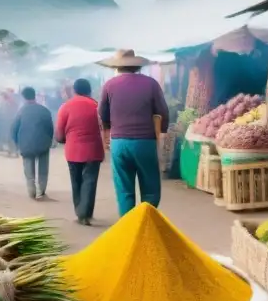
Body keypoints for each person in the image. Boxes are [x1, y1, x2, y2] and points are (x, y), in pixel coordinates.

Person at [98, 49, 169, 216]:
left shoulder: (109, 85)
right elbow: (163, 112)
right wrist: (163, 131)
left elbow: (102, 114)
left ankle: (128, 228)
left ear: (117, 67)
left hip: (119, 143)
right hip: (145, 142)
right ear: (137, 67)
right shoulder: (151, 84)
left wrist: (109, 131)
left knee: (124, 191)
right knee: (150, 190)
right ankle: (145, 223)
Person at [55, 78, 104, 225]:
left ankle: (79, 212)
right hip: (93, 150)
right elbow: (104, 126)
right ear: (89, 91)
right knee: (90, 181)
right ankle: (86, 213)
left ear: (74, 91)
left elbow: (59, 131)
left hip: (73, 150)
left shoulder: (66, 106)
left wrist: (62, 140)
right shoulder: (96, 105)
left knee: (76, 181)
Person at [11, 87, 55, 200]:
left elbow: (14, 129)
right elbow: (50, 128)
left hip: (26, 144)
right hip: (43, 144)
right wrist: (49, 140)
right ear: (34, 95)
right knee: (43, 169)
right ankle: (42, 190)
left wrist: (17, 143)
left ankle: (32, 191)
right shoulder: (44, 110)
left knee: (28, 169)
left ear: (23, 97)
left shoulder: (21, 111)